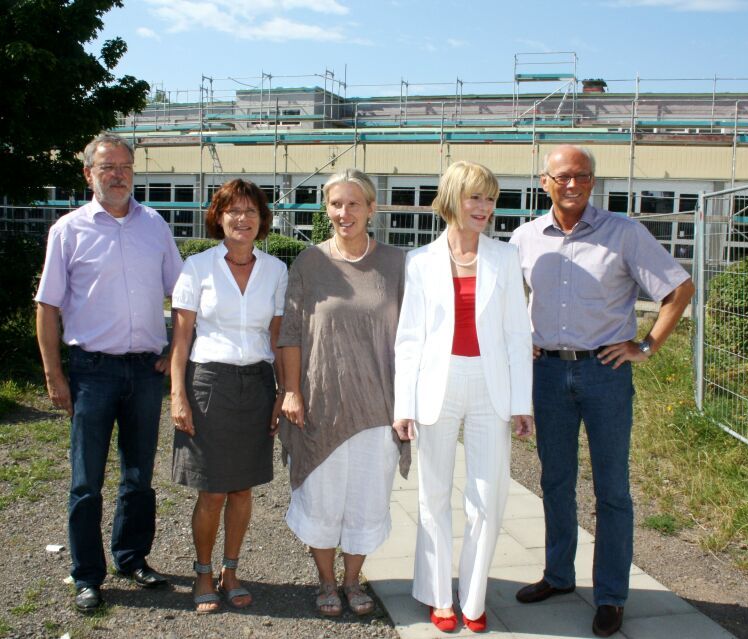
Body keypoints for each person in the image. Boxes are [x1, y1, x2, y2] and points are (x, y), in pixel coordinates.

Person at [510, 144, 694, 638]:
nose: (574, 185)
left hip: (605, 374)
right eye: (564, 177)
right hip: (547, 375)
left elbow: (679, 289)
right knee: (555, 482)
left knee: (612, 490)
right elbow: (508, 300)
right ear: (544, 182)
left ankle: (611, 595)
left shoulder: (624, 233)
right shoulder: (524, 238)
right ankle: (558, 576)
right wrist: (519, 343)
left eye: (584, 177)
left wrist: (647, 345)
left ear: (593, 182)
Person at [35, 133, 183, 613]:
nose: (117, 174)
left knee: (138, 476)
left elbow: (181, 296)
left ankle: (131, 556)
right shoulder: (69, 230)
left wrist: (176, 350)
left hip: (143, 372)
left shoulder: (154, 225)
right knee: (86, 480)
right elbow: (48, 307)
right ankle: (87, 575)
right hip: (91, 371)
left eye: (125, 166)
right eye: (107, 167)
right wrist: (55, 376)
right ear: (88, 174)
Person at [393, 160, 533, 633]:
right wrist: (403, 406)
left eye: (490, 198)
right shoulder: (419, 261)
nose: (485, 207)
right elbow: (409, 338)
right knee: (433, 497)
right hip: (437, 386)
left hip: (490, 387)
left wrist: (521, 402)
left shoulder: (505, 258)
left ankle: (473, 599)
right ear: (452, 199)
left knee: (488, 499)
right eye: (475, 197)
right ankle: (438, 596)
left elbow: (517, 334)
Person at [278, 169, 410, 617]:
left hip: (379, 406)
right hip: (321, 403)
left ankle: (355, 581)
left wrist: (409, 402)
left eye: (355, 203)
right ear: (326, 208)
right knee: (322, 496)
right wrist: (291, 391)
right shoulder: (309, 263)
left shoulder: (397, 264)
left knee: (368, 499)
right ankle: (326, 580)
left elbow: (416, 337)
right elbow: (291, 332)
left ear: (372, 208)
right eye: (336, 203)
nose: (344, 212)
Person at [170, 179, 287, 613]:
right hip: (209, 384)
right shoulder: (197, 266)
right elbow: (181, 340)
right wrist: (177, 395)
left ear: (262, 219)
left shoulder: (276, 270)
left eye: (251, 211)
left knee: (242, 490)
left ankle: (231, 570)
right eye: (233, 211)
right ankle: (203, 572)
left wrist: (282, 391)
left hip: (256, 385)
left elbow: (277, 339)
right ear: (218, 217)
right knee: (212, 491)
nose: (242, 219)